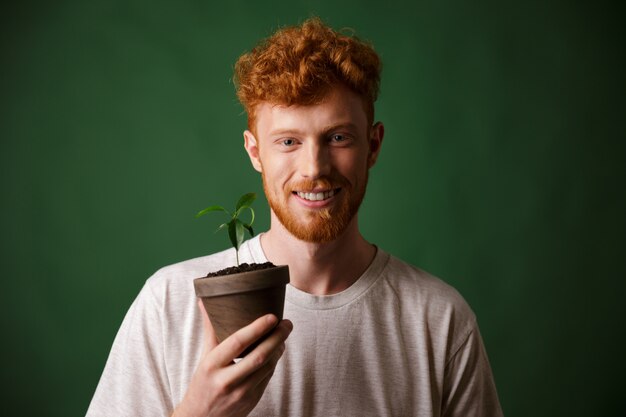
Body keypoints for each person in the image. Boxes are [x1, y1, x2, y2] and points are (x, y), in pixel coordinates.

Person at [87, 17, 503, 417]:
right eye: (288, 141)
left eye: (338, 137)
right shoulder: (169, 303)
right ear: (255, 152)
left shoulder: (440, 319)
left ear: (373, 145)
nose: (313, 168)